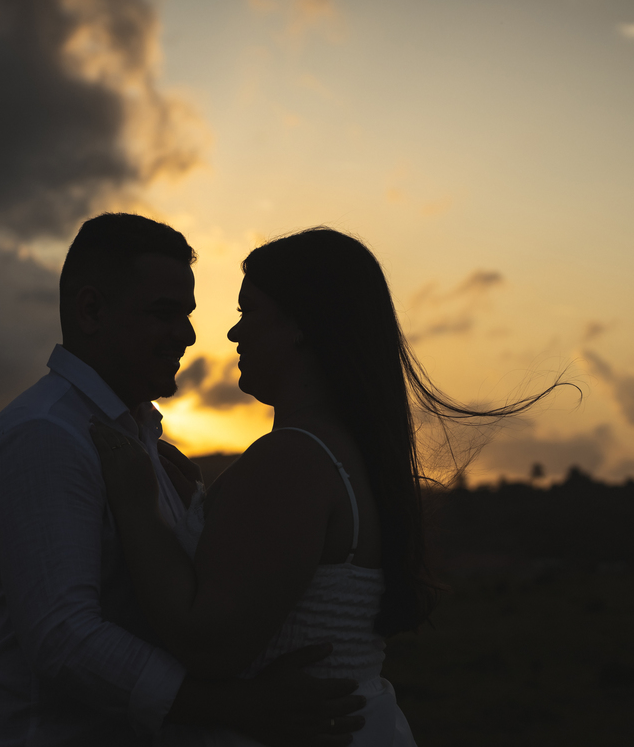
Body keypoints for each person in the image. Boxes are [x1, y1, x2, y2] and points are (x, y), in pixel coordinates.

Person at [91, 227, 570, 745]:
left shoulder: (292, 460)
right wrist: (198, 512)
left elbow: (207, 644)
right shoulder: (346, 452)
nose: (233, 333)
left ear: (300, 324)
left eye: (248, 311)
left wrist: (139, 504)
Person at [0, 214, 366, 747]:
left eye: (187, 315)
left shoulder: (137, 439)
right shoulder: (44, 436)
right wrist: (235, 706)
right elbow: (64, 638)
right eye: (165, 313)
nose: (188, 335)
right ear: (91, 311)